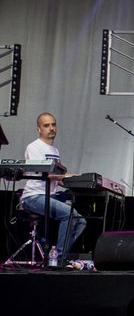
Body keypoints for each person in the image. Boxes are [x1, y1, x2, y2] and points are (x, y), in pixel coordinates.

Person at [20, 112, 87, 264]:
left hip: (50, 195)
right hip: (34, 196)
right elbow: (49, 174)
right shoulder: (34, 147)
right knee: (69, 214)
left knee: (81, 221)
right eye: (46, 125)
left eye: (53, 124)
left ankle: (58, 254)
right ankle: (59, 259)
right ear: (39, 129)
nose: (51, 128)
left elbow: (58, 179)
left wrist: (82, 182)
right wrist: (72, 177)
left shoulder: (55, 151)